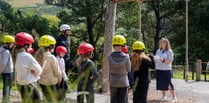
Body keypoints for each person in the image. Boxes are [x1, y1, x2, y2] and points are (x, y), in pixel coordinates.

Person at [14, 32, 42, 103]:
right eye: (30, 44)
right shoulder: (27, 56)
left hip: (20, 85)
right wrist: (34, 72)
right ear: (26, 45)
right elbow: (39, 70)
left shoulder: (16, 55)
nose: (31, 46)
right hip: (30, 85)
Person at [36, 35, 62, 103]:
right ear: (51, 46)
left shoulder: (37, 56)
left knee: (46, 99)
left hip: (42, 83)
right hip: (52, 83)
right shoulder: (51, 57)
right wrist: (59, 80)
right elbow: (57, 72)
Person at [108, 35, 131, 103]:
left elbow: (109, 68)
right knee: (123, 100)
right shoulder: (126, 57)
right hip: (123, 81)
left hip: (113, 81)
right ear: (123, 45)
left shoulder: (109, 56)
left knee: (113, 101)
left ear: (114, 45)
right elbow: (129, 69)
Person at [154, 38, 177, 102]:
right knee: (161, 83)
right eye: (161, 42)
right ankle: (164, 96)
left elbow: (169, 61)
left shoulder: (169, 51)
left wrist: (162, 60)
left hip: (166, 70)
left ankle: (174, 97)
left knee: (168, 84)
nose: (161, 43)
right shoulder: (158, 50)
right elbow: (156, 58)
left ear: (166, 43)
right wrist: (155, 59)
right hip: (159, 69)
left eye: (163, 42)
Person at [0, 35, 15, 103]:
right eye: (12, 43)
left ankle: (5, 99)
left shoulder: (1, 49)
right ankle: (6, 100)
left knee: (6, 86)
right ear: (8, 43)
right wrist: (0, 71)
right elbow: (3, 63)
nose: (13, 45)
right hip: (8, 72)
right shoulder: (6, 52)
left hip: (5, 72)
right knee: (7, 87)